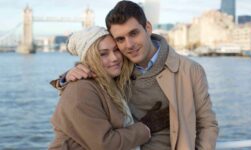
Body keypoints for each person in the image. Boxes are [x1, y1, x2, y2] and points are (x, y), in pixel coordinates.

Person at [52, 0, 219, 149]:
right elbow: (90, 83)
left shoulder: (189, 70)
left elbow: (207, 125)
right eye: (120, 39)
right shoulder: (117, 69)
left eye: (133, 33)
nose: (129, 45)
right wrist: (67, 78)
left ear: (147, 28)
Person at [49, 26, 169, 150]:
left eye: (116, 50)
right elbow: (105, 144)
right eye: (103, 54)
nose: (114, 58)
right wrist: (146, 128)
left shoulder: (111, 81)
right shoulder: (81, 90)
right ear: (90, 58)